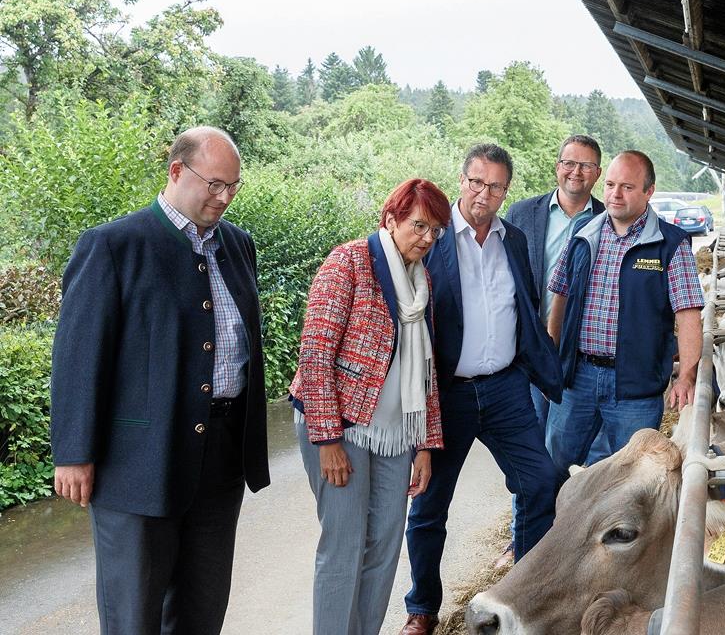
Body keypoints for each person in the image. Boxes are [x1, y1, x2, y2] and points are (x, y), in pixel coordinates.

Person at [50, 125, 270, 635]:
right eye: (215, 184)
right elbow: (79, 357)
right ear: (177, 172)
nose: (225, 197)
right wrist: (73, 452)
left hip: (220, 460)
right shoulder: (113, 246)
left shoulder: (238, 245)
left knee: (201, 610)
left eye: (233, 186)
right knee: (135, 616)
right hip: (137, 465)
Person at [399, 144, 562, 635]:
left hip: (506, 387)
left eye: (494, 186)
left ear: (505, 192)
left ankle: (523, 591)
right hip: (447, 393)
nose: (482, 194)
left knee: (540, 483)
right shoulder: (434, 238)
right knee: (430, 505)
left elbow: (526, 306)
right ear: (461, 180)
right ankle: (422, 609)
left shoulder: (513, 239)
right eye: (475, 182)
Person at [289, 178, 450, 635]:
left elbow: (426, 368)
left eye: (435, 230)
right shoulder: (348, 262)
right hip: (342, 426)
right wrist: (327, 439)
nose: (426, 237)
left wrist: (424, 445)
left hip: (398, 432)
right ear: (390, 219)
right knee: (342, 544)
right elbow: (316, 352)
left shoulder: (423, 282)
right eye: (419, 225)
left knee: (382, 545)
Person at [546, 150, 704, 479]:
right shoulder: (583, 236)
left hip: (636, 386)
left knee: (630, 477)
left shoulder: (670, 244)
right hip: (578, 378)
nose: (615, 194)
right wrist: (551, 354)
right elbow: (559, 296)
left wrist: (686, 375)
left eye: (628, 187)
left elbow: (688, 313)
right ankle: (551, 530)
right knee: (555, 466)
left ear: (649, 191)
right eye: (610, 185)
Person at [502, 134, 604, 430]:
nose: (576, 172)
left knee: (569, 442)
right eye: (569, 163)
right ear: (557, 166)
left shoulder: (608, 219)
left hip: (581, 352)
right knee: (529, 434)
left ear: (598, 173)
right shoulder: (521, 213)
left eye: (586, 165)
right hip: (530, 346)